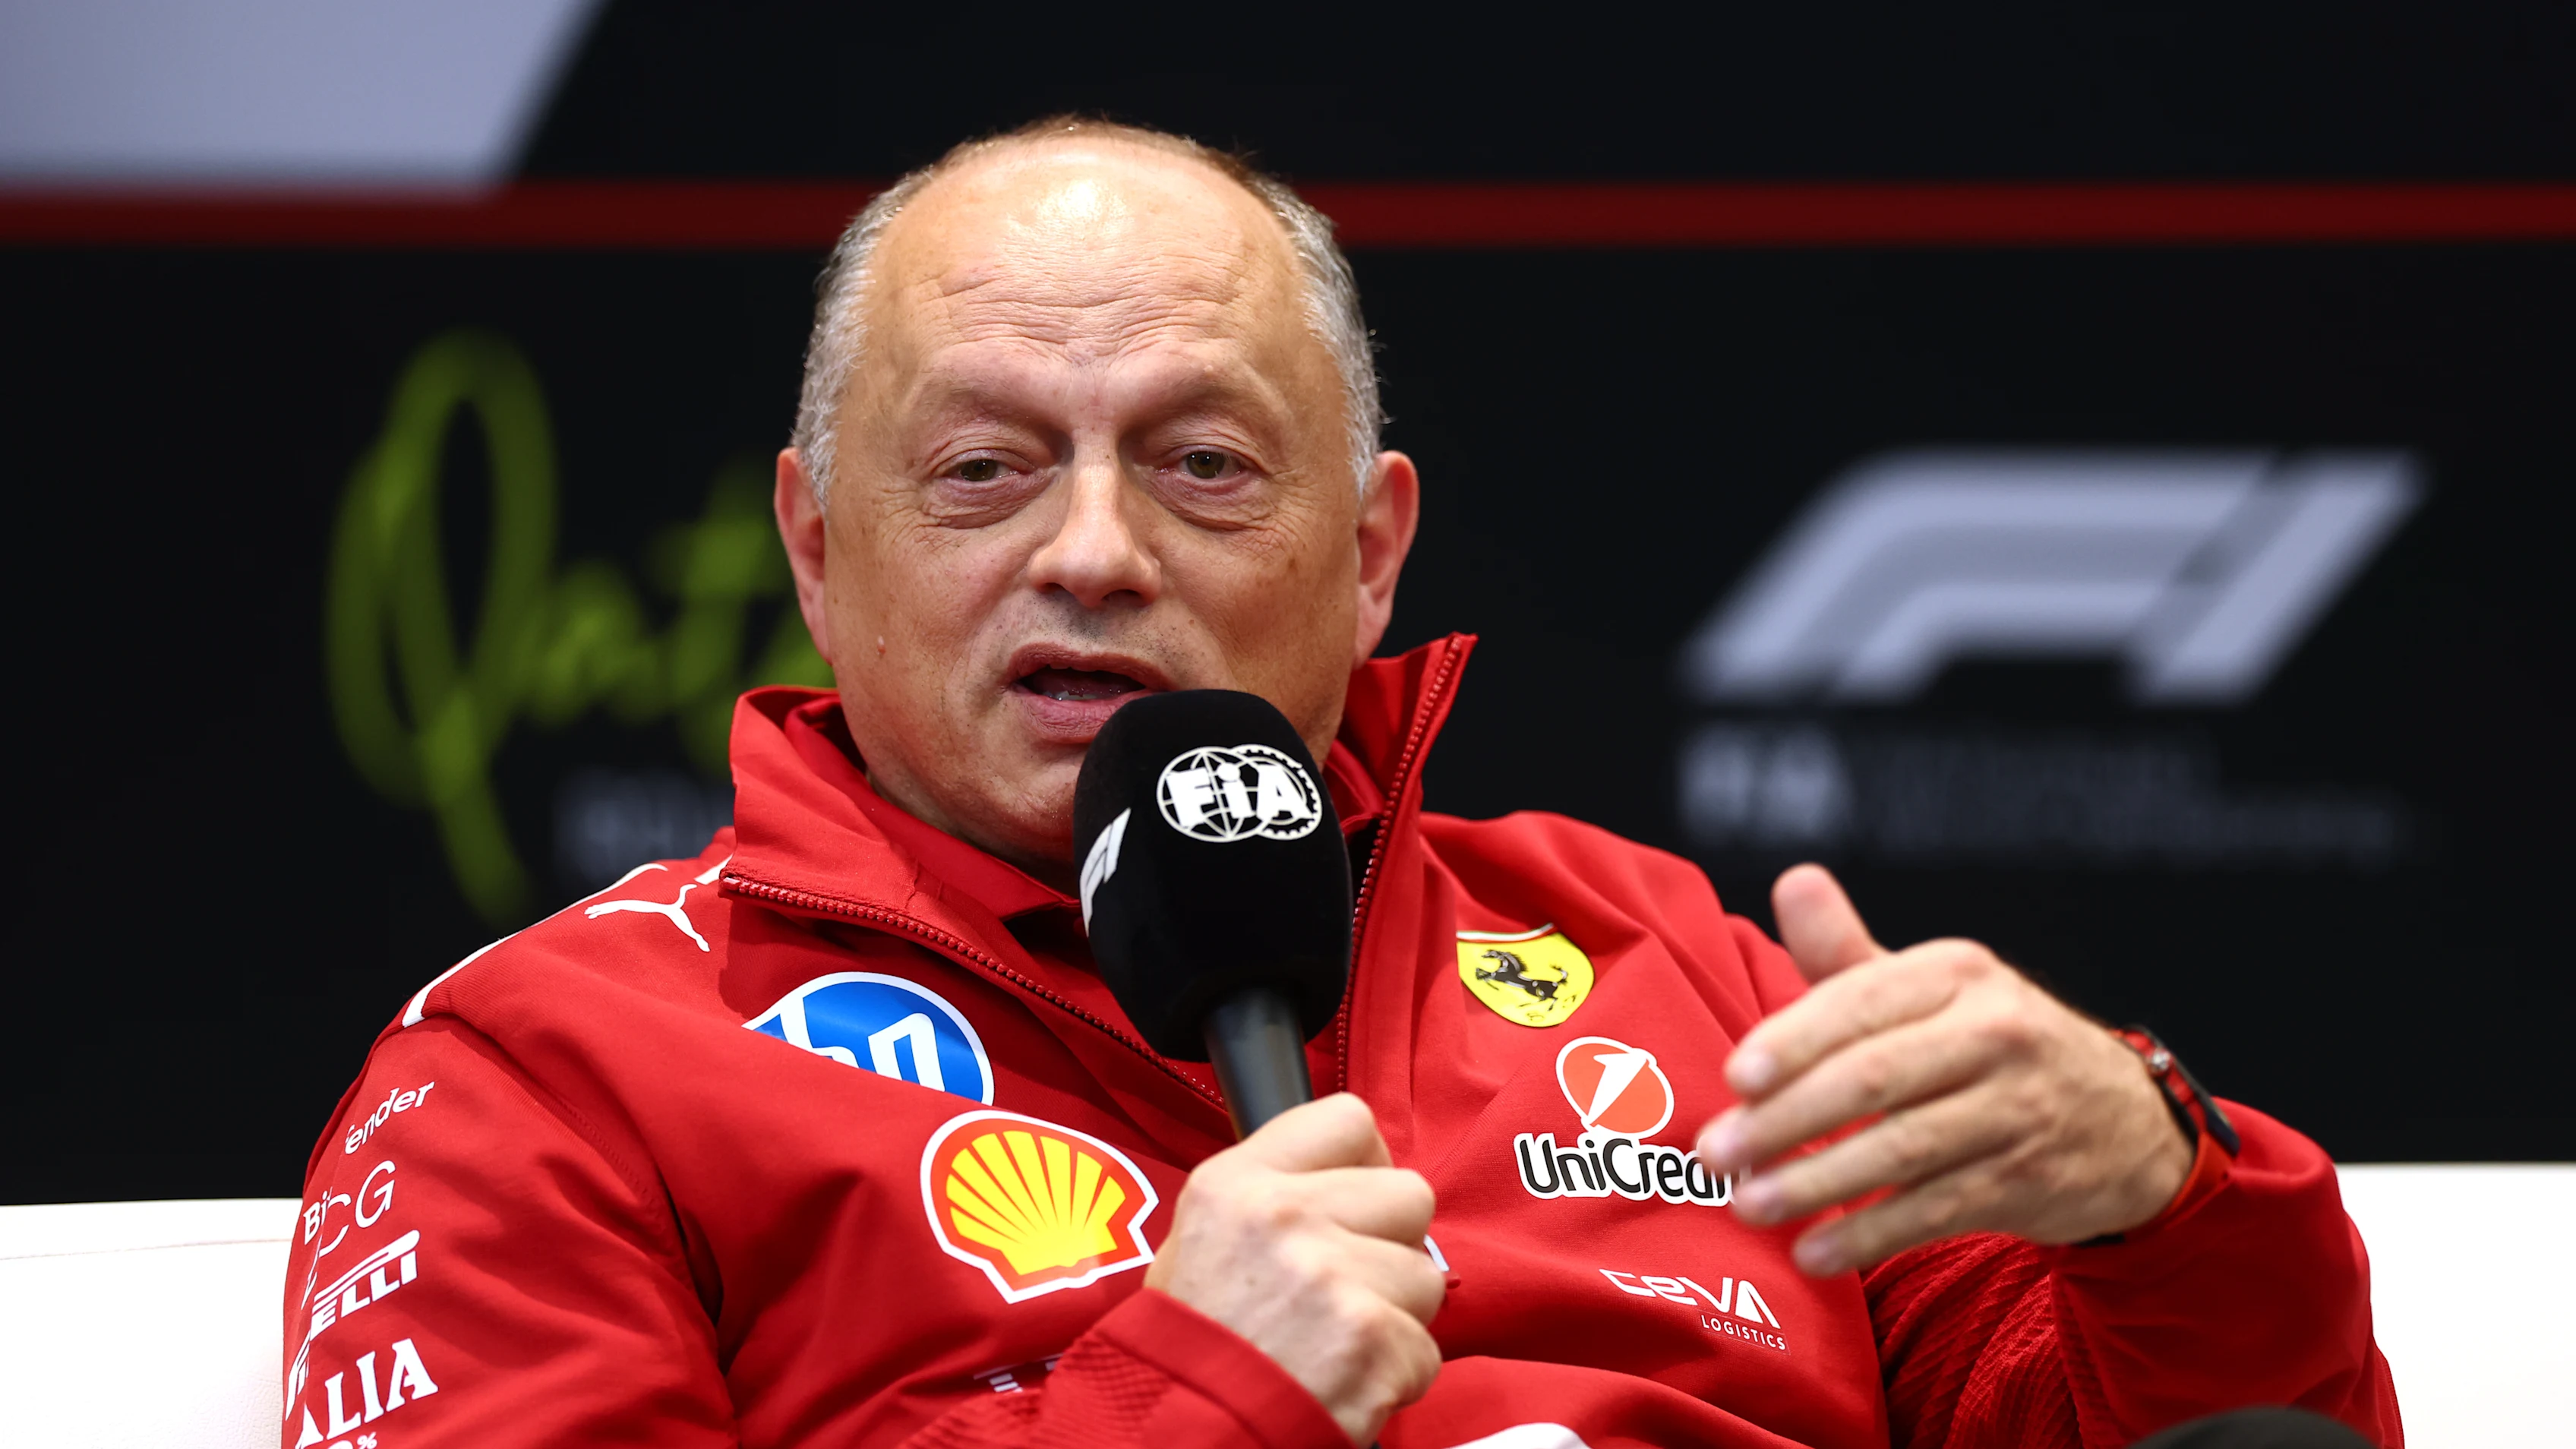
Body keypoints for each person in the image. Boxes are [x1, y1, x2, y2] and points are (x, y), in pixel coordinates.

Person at [280, 118, 2398, 1449]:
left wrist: (2159, 1185)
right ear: (818, 551)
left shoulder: (1661, 955)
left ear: (1372, 550)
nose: (1095, 548)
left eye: (1204, 464)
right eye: (985, 468)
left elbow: (2229, 1420)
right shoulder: (554, 1066)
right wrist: (1201, 1394)